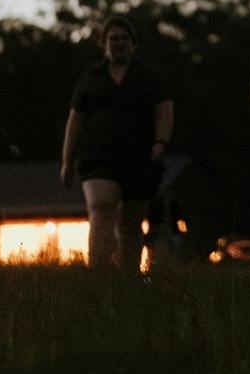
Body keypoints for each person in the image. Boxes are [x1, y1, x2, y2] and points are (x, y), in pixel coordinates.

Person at [60, 16, 172, 272]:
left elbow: (164, 110)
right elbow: (75, 120)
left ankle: (129, 278)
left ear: (133, 44)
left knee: (131, 222)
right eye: (113, 38)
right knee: (101, 207)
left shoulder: (149, 76)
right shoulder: (91, 77)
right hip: (97, 155)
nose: (118, 43)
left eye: (124, 38)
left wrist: (161, 142)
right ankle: (99, 273)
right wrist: (67, 160)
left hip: (139, 157)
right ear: (104, 44)